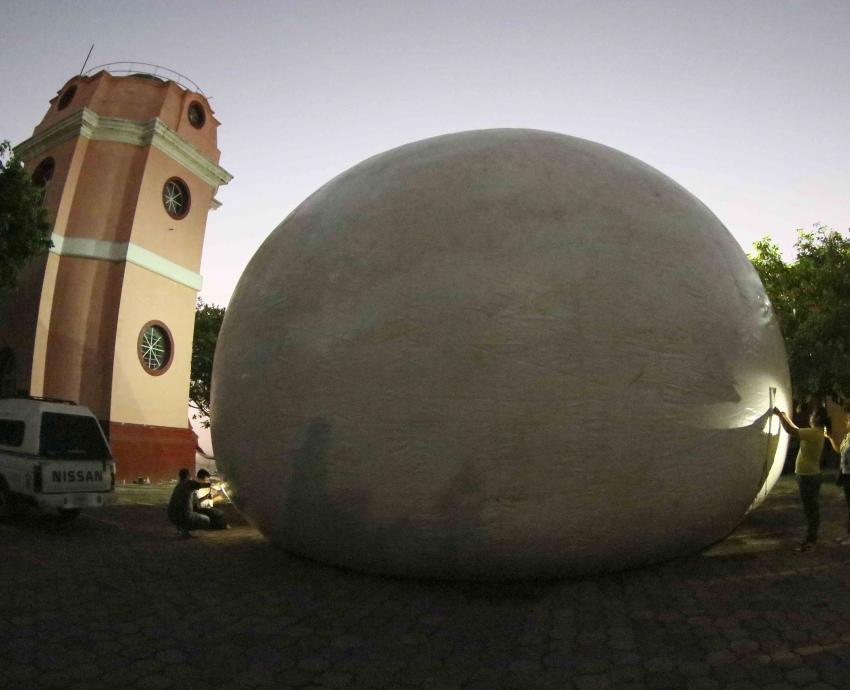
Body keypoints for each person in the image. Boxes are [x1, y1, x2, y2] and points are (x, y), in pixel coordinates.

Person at [772, 406, 830, 551]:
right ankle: (812, 539)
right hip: (811, 475)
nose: (810, 416)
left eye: (812, 414)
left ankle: (811, 541)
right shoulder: (817, 432)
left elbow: (791, 431)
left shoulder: (814, 433)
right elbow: (796, 428)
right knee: (812, 508)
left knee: (811, 509)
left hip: (808, 476)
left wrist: (780, 415)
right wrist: (785, 417)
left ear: (816, 419)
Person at [167, 468, 212, 538]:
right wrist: (216, 483)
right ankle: (185, 531)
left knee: (181, 511)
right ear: (188, 475)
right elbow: (205, 485)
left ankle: (180, 528)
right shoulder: (188, 483)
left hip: (172, 516)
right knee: (206, 520)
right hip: (184, 516)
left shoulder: (178, 485)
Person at [825, 429, 850, 545]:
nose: (847, 422)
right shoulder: (848, 436)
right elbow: (840, 450)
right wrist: (830, 437)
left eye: (849, 419)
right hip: (846, 475)